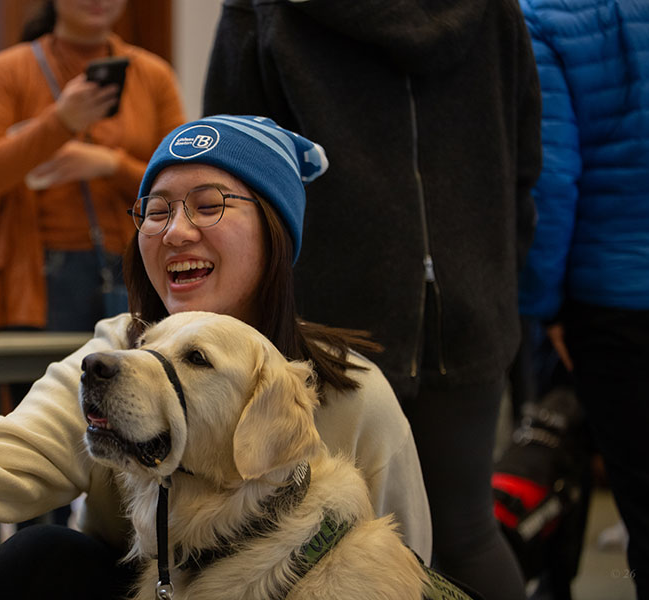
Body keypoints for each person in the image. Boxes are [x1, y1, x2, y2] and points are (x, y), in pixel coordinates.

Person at [0, 116, 432, 600]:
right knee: (37, 562)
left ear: (275, 235)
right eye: (157, 210)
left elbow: (403, 562)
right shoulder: (115, 353)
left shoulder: (353, 393)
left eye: (209, 204)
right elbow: (11, 455)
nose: (175, 231)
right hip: (142, 584)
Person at [202, 2, 542, 599]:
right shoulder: (493, 11)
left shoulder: (263, 11)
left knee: (303, 544)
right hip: (470, 302)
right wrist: (495, 274)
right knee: (468, 534)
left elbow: (232, 165)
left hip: (325, 316)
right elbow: (526, 157)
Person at [516, 1, 649, 597]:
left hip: (616, 305)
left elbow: (550, 181)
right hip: (619, 296)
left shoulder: (545, 15)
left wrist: (542, 306)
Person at [0, 0, 185, 335]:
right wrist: (60, 121)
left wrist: (111, 165)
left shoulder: (153, 75)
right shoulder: (9, 70)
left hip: (134, 267)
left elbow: (182, 182)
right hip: (36, 277)